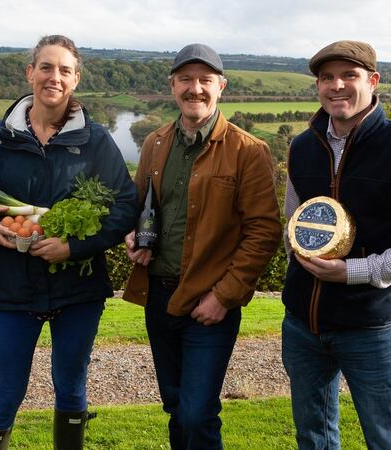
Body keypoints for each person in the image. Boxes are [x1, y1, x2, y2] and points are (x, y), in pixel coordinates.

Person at [0, 35, 137, 450]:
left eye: (65, 70)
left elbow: (124, 207)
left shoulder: (95, 140)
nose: (54, 77)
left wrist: (74, 248)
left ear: (76, 80)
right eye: (46, 67)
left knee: (72, 387)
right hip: (12, 288)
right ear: (30, 73)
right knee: (5, 392)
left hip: (79, 290)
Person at [281, 40, 391, 449]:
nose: (336, 85)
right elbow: (293, 223)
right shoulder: (302, 147)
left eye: (349, 76)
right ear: (318, 86)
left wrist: (352, 272)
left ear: (373, 81)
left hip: (368, 326)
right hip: (303, 324)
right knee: (313, 437)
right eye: (326, 78)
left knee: (387, 438)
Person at [123, 43, 282, 449]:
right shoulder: (155, 144)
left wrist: (225, 297)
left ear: (221, 86)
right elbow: (140, 209)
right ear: (173, 85)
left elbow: (264, 232)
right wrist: (133, 238)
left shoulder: (248, 151)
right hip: (159, 296)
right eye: (186, 80)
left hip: (208, 302)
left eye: (205, 80)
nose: (195, 89)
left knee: (197, 413)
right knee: (176, 405)